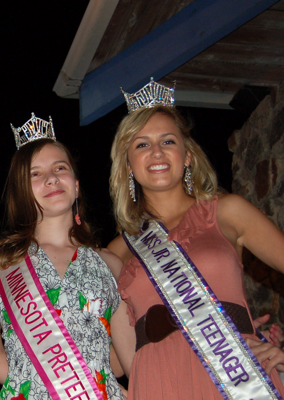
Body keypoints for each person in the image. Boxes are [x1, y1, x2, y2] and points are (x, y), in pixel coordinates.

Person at [107, 79, 284, 399]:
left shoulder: (228, 211)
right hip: (158, 382)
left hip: (235, 377)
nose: (156, 152)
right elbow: (112, 359)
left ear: (187, 155)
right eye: (142, 144)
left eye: (168, 141)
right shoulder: (117, 251)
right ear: (129, 164)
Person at [0, 114, 129, 400]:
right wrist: (48, 387)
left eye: (60, 168)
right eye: (35, 173)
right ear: (21, 192)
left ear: (76, 185)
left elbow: (128, 356)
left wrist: (95, 380)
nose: (51, 178)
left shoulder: (111, 264)